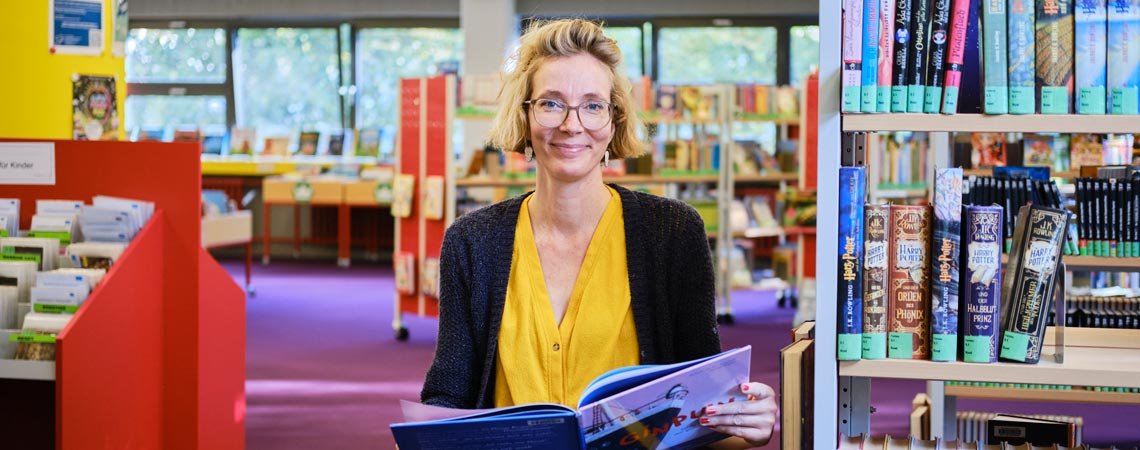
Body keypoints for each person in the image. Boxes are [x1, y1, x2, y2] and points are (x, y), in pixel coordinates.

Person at [420, 18, 777, 448]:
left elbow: (702, 404)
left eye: (592, 105)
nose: (572, 125)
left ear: (613, 123)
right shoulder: (472, 242)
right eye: (551, 103)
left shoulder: (673, 233)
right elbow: (447, 397)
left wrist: (746, 419)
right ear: (525, 116)